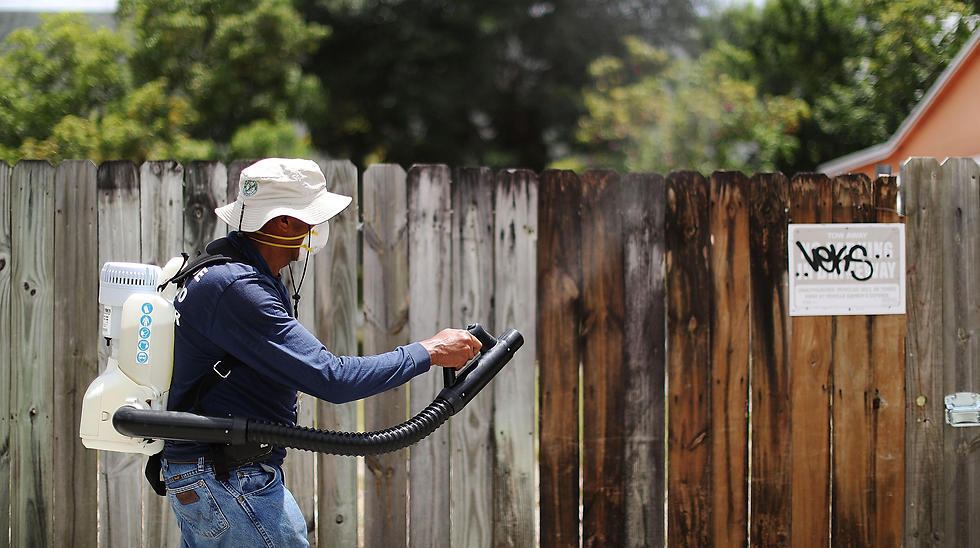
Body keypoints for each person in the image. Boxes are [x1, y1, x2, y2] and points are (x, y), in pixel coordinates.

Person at [159, 158, 480, 547]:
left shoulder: (228, 273)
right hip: (229, 480)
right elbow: (333, 378)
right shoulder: (238, 288)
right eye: (309, 216)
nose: (314, 228)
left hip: (212, 475)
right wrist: (429, 351)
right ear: (282, 222)